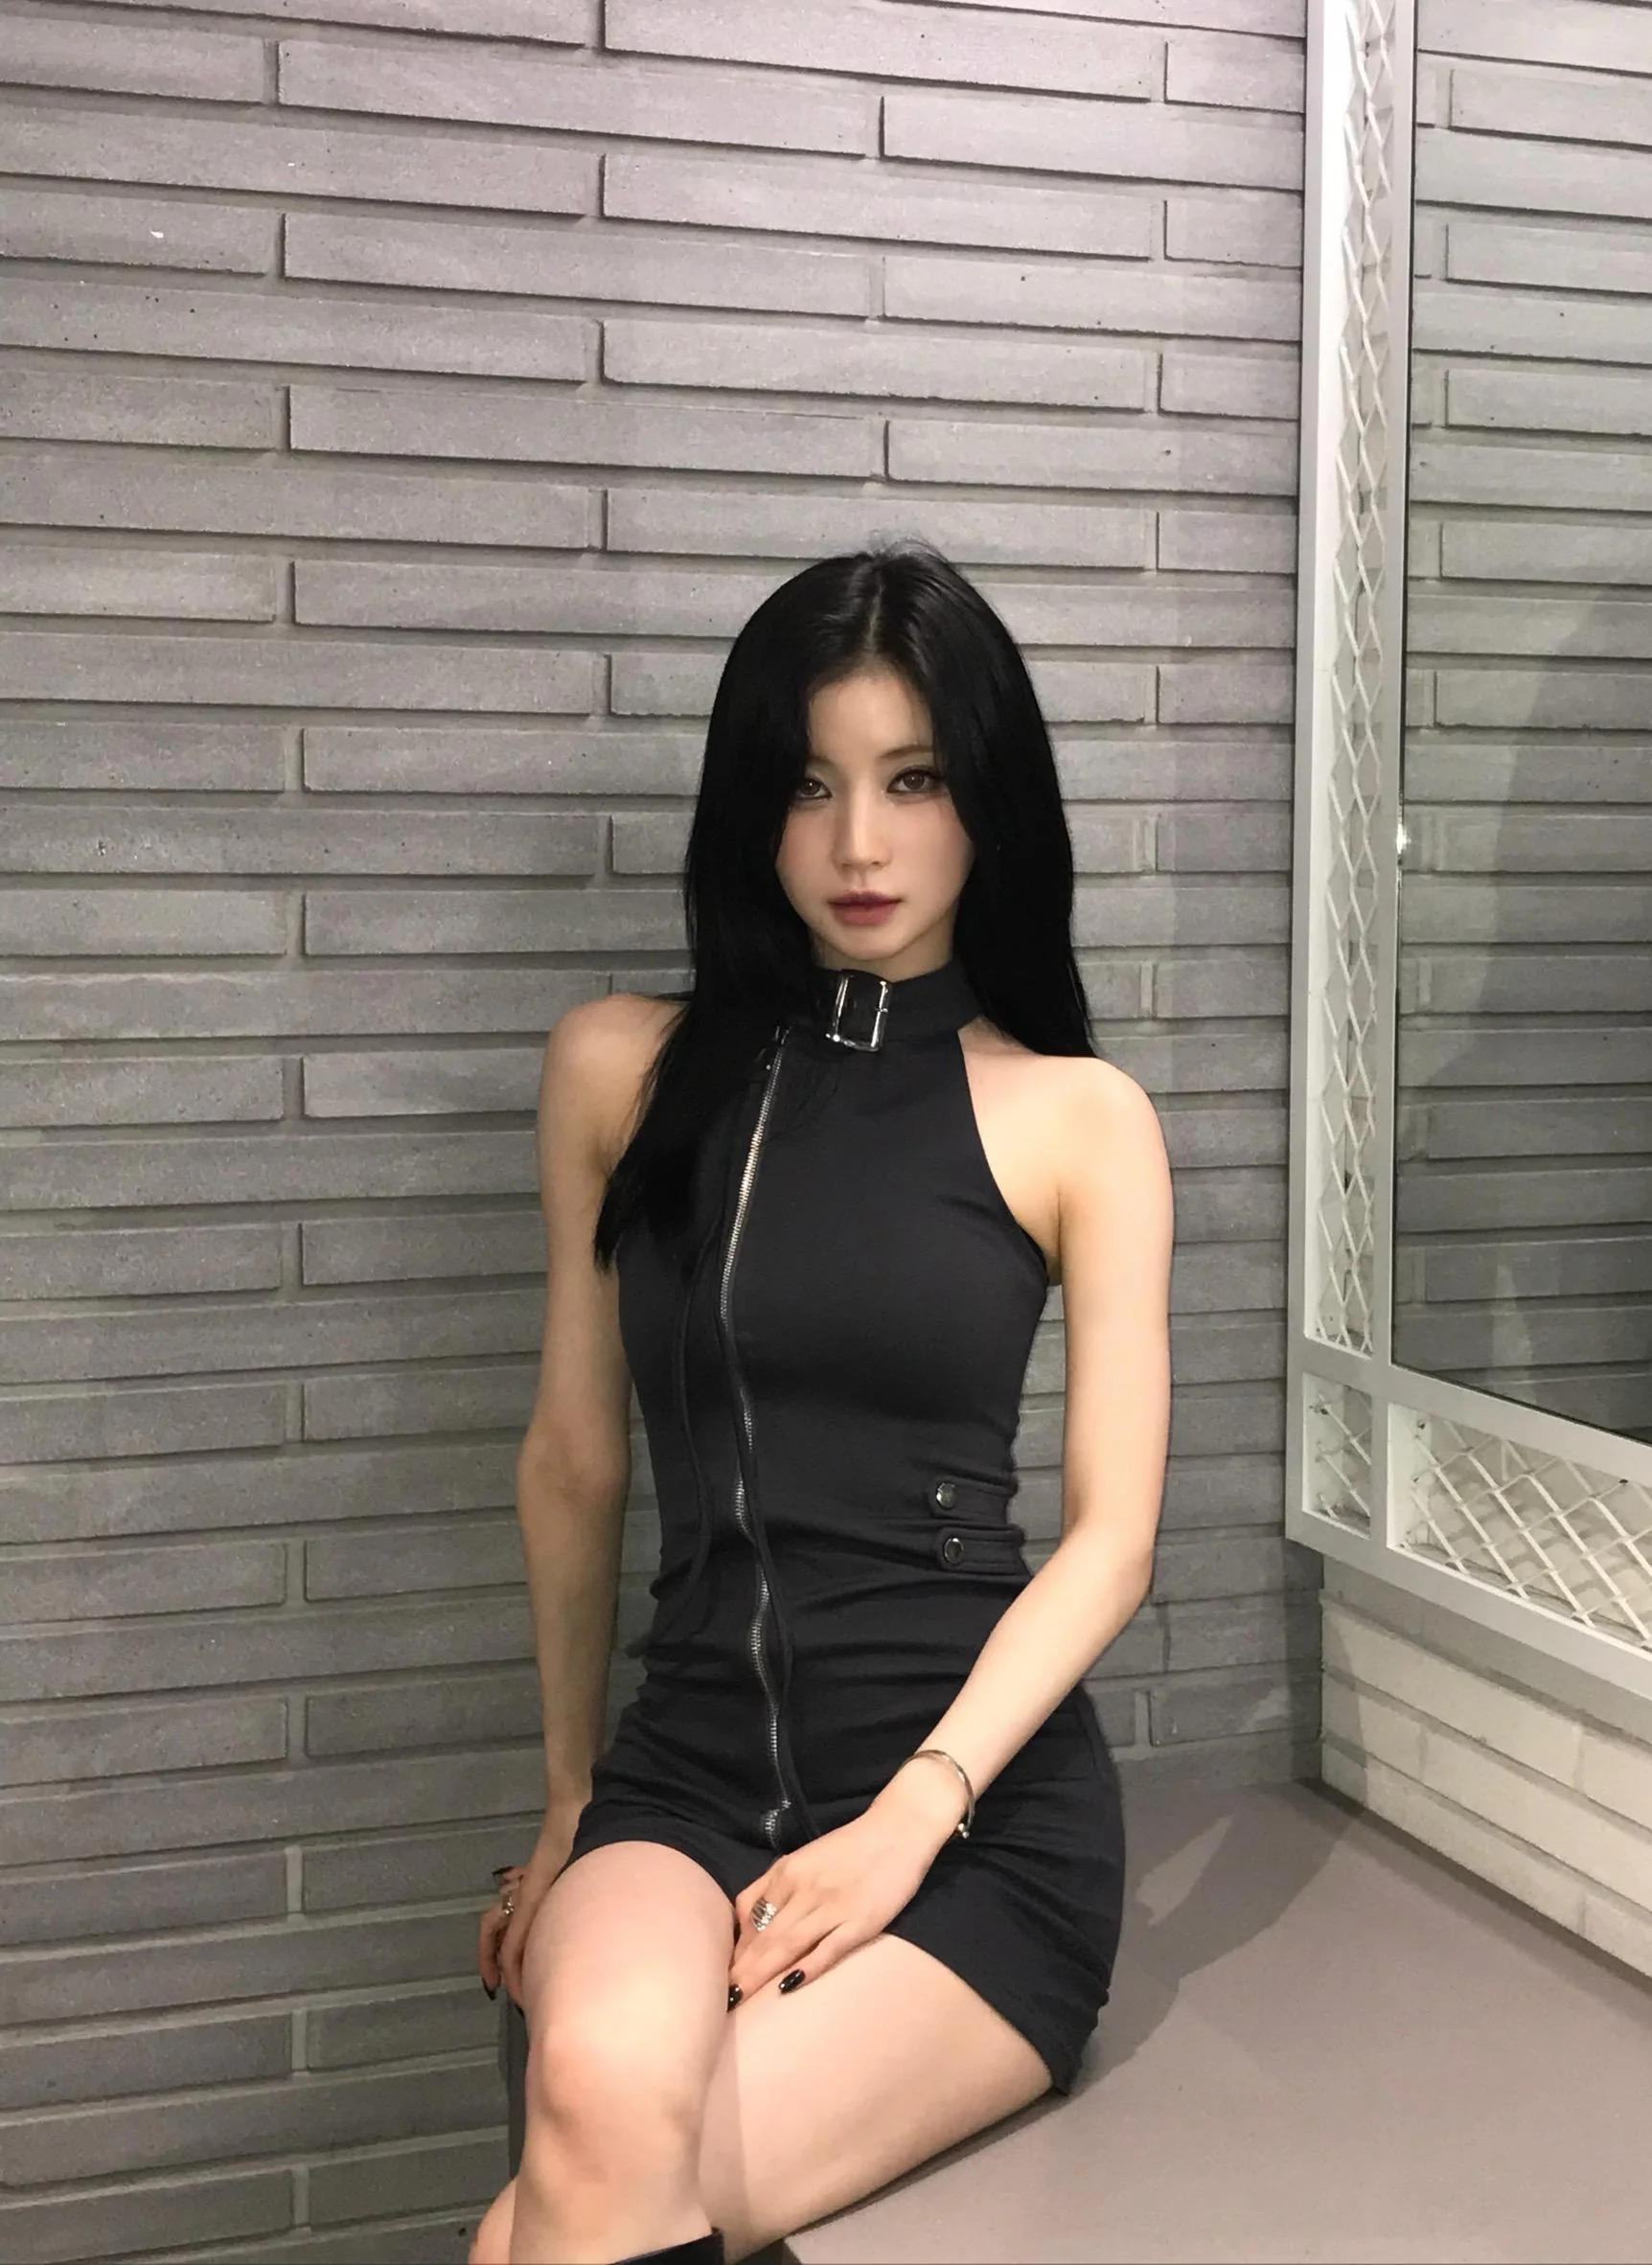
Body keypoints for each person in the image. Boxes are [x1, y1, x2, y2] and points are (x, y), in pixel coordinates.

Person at [470, 542, 1174, 2265]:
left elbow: (1113, 1542)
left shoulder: (1079, 1119)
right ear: (751, 809)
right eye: (809, 785)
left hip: (975, 1822)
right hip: (682, 1779)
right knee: (593, 2102)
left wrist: (910, 1819)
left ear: (989, 800)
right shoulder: (616, 1071)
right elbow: (574, 1459)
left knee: (541, 2225)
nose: (860, 844)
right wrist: (566, 1799)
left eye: (913, 781)